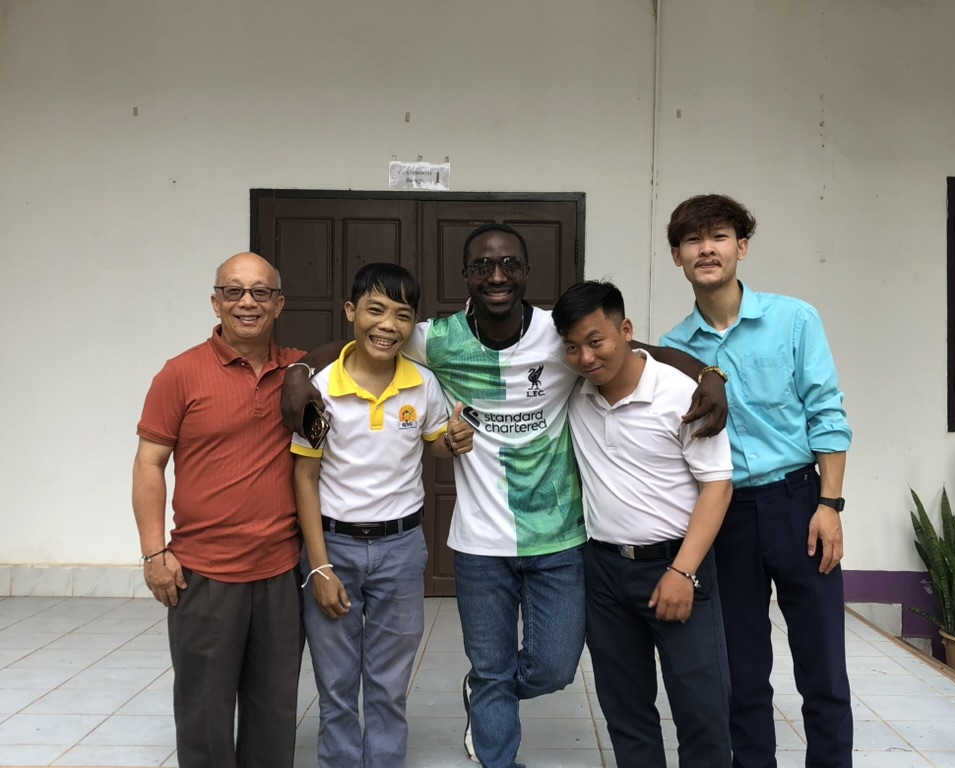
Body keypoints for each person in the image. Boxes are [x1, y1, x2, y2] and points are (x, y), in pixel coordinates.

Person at [281, 224, 729, 768]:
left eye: (510, 264)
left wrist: (710, 373)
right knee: (491, 668)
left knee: (555, 668)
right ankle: (495, 737)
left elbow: (637, 350)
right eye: (483, 266)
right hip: (479, 542)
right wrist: (301, 371)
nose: (497, 276)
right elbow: (363, 340)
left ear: (526, 273)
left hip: (558, 539)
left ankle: (486, 692)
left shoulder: (559, 335)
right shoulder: (437, 338)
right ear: (465, 276)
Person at [660, 194, 853, 768]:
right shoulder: (674, 349)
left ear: (741, 248)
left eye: (719, 237)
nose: (707, 249)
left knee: (822, 663)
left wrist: (830, 503)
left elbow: (827, 412)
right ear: (677, 256)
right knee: (741, 670)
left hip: (799, 504)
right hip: (726, 516)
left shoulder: (795, 319)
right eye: (693, 240)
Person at [291, 263, 473, 767]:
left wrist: (452, 441)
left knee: (390, 683)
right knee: (336, 683)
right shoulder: (321, 389)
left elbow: (433, 442)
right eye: (375, 310)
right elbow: (304, 478)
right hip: (334, 547)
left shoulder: (422, 384)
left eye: (402, 315)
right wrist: (319, 567)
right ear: (351, 311)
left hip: (400, 549)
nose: (387, 325)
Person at [131, 252, 305, 768]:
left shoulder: (299, 367)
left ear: (279, 304)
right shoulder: (180, 374)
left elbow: (359, 351)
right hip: (203, 575)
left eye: (260, 292)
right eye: (234, 291)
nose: (247, 302)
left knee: (274, 714)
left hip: (280, 572)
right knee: (204, 714)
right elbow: (149, 464)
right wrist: (153, 554)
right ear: (216, 302)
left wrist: (301, 371)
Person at [552, 280, 734, 768]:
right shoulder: (575, 393)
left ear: (626, 330)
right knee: (625, 710)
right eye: (572, 347)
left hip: (677, 566)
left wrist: (683, 572)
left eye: (597, 341)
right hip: (604, 571)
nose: (586, 358)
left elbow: (718, 487)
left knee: (702, 710)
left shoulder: (682, 395)